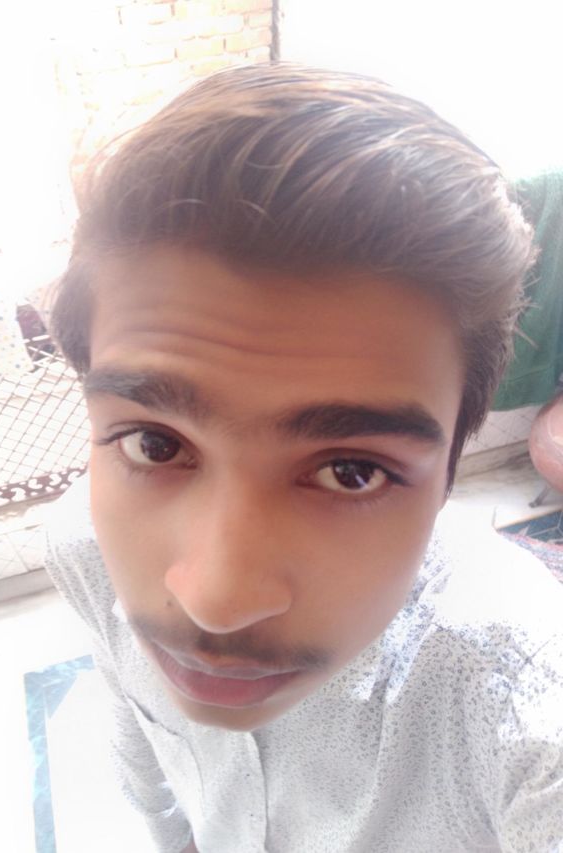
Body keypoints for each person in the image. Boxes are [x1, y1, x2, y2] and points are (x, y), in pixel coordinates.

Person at [44, 63, 563, 852]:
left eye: (351, 470)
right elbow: (137, 732)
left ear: (450, 472)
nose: (216, 603)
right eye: (156, 443)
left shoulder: (521, 697)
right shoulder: (80, 548)